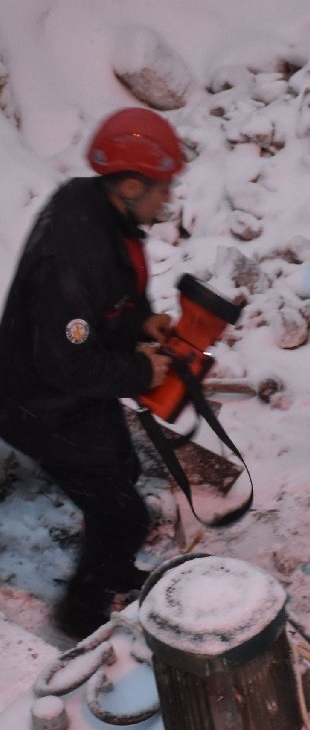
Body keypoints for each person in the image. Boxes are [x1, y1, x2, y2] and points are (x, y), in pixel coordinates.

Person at [0, 107, 183, 640]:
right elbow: (66, 361)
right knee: (124, 513)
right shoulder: (74, 258)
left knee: (121, 470)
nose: (167, 200)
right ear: (129, 184)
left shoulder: (94, 204)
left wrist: (139, 319)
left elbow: (108, 295)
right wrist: (139, 370)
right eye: (162, 189)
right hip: (38, 403)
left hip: (66, 387)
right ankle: (80, 618)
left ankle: (113, 572)